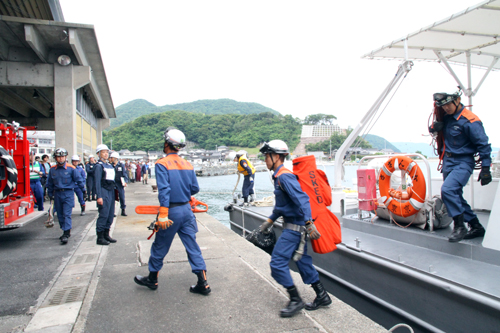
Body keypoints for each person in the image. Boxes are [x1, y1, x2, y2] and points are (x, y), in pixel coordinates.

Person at [258, 140, 331, 318]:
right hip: (295, 227)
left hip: (294, 229)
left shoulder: (284, 177)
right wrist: (269, 221)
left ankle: (295, 299)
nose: (265, 160)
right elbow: (282, 206)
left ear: (276, 156)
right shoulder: (278, 177)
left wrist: (308, 223)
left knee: (277, 262)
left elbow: (303, 199)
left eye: (267, 156)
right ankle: (322, 295)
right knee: (303, 261)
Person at [134, 128, 210, 295]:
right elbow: (195, 188)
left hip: (171, 212)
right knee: (192, 247)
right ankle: (203, 283)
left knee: (160, 246)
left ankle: (152, 280)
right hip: (187, 211)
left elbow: (164, 190)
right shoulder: (188, 164)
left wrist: (163, 213)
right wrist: (186, 195)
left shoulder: (161, 163)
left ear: (167, 143)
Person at [430, 91, 492, 242]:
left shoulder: (470, 121)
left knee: (448, 190)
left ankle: (459, 226)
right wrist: (433, 129)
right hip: (448, 161)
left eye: (448, 105)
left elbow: (484, 145)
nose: (446, 108)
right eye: (443, 106)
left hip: (463, 161)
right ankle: (476, 225)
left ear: (457, 100)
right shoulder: (446, 118)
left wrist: (485, 168)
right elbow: (438, 133)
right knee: (453, 195)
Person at [46, 148, 86, 244]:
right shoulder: (52, 169)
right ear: (55, 158)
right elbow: (50, 183)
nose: (60, 159)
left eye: (62, 156)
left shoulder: (71, 168)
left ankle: (66, 233)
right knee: (59, 214)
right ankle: (64, 229)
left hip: (68, 193)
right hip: (57, 194)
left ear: (65, 157)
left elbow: (79, 180)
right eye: (58, 157)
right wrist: (50, 194)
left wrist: (83, 191)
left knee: (66, 214)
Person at [94, 144, 117, 245]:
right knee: (103, 214)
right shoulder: (99, 166)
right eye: (103, 152)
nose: (105, 154)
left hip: (110, 190)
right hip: (103, 191)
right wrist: (99, 196)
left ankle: (107, 234)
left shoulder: (109, 165)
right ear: (98, 154)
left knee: (110, 214)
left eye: (107, 152)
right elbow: (97, 182)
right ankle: (100, 237)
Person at [110, 152, 128, 216]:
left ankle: (123, 210)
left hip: (120, 183)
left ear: (115, 158)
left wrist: (125, 181)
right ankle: (113, 212)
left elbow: (124, 173)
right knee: (113, 198)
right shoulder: (110, 166)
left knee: (122, 197)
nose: (111, 159)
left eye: (112, 158)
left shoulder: (121, 165)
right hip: (113, 184)